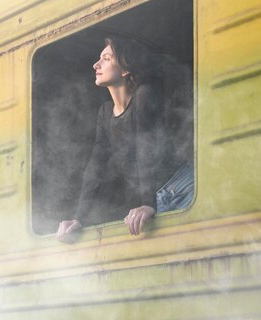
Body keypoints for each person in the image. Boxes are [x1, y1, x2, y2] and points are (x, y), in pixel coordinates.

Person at [57, 36, 193, 243]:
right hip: (161, 194)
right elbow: (96, 167)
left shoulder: (143, 96)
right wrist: (78, 218)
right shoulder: (105, 112)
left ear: (125, 69)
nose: (96, 64)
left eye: (107, 59)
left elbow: (146, 149)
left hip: (180, 186)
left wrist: (148, 204)